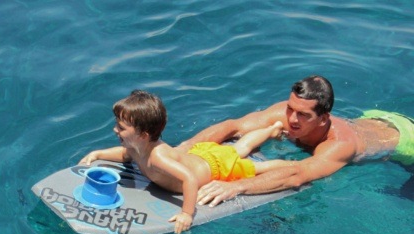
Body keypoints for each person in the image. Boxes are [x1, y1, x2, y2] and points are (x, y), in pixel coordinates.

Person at [177, 75, 414, 207]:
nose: (291, 118)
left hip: (404, 142)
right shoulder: (284, 113)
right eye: (291, 108)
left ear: (323, 119)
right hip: (375, 119)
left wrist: (235, 187)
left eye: (303, 115)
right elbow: (232, 126)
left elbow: (298, 174)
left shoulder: (339, 145)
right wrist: (185, 149)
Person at [79, 90, 287, 234]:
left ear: (143, 134)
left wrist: (187, 213)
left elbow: (189, 179)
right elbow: (125, 154)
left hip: (214, 168)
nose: (116, 130)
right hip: (200, 156)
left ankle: (286, 163)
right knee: (238, 148)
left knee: (252, 163)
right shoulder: (138, 148)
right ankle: (271, 129)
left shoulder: (158, 157)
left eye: (121, 127)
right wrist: (99, 154)